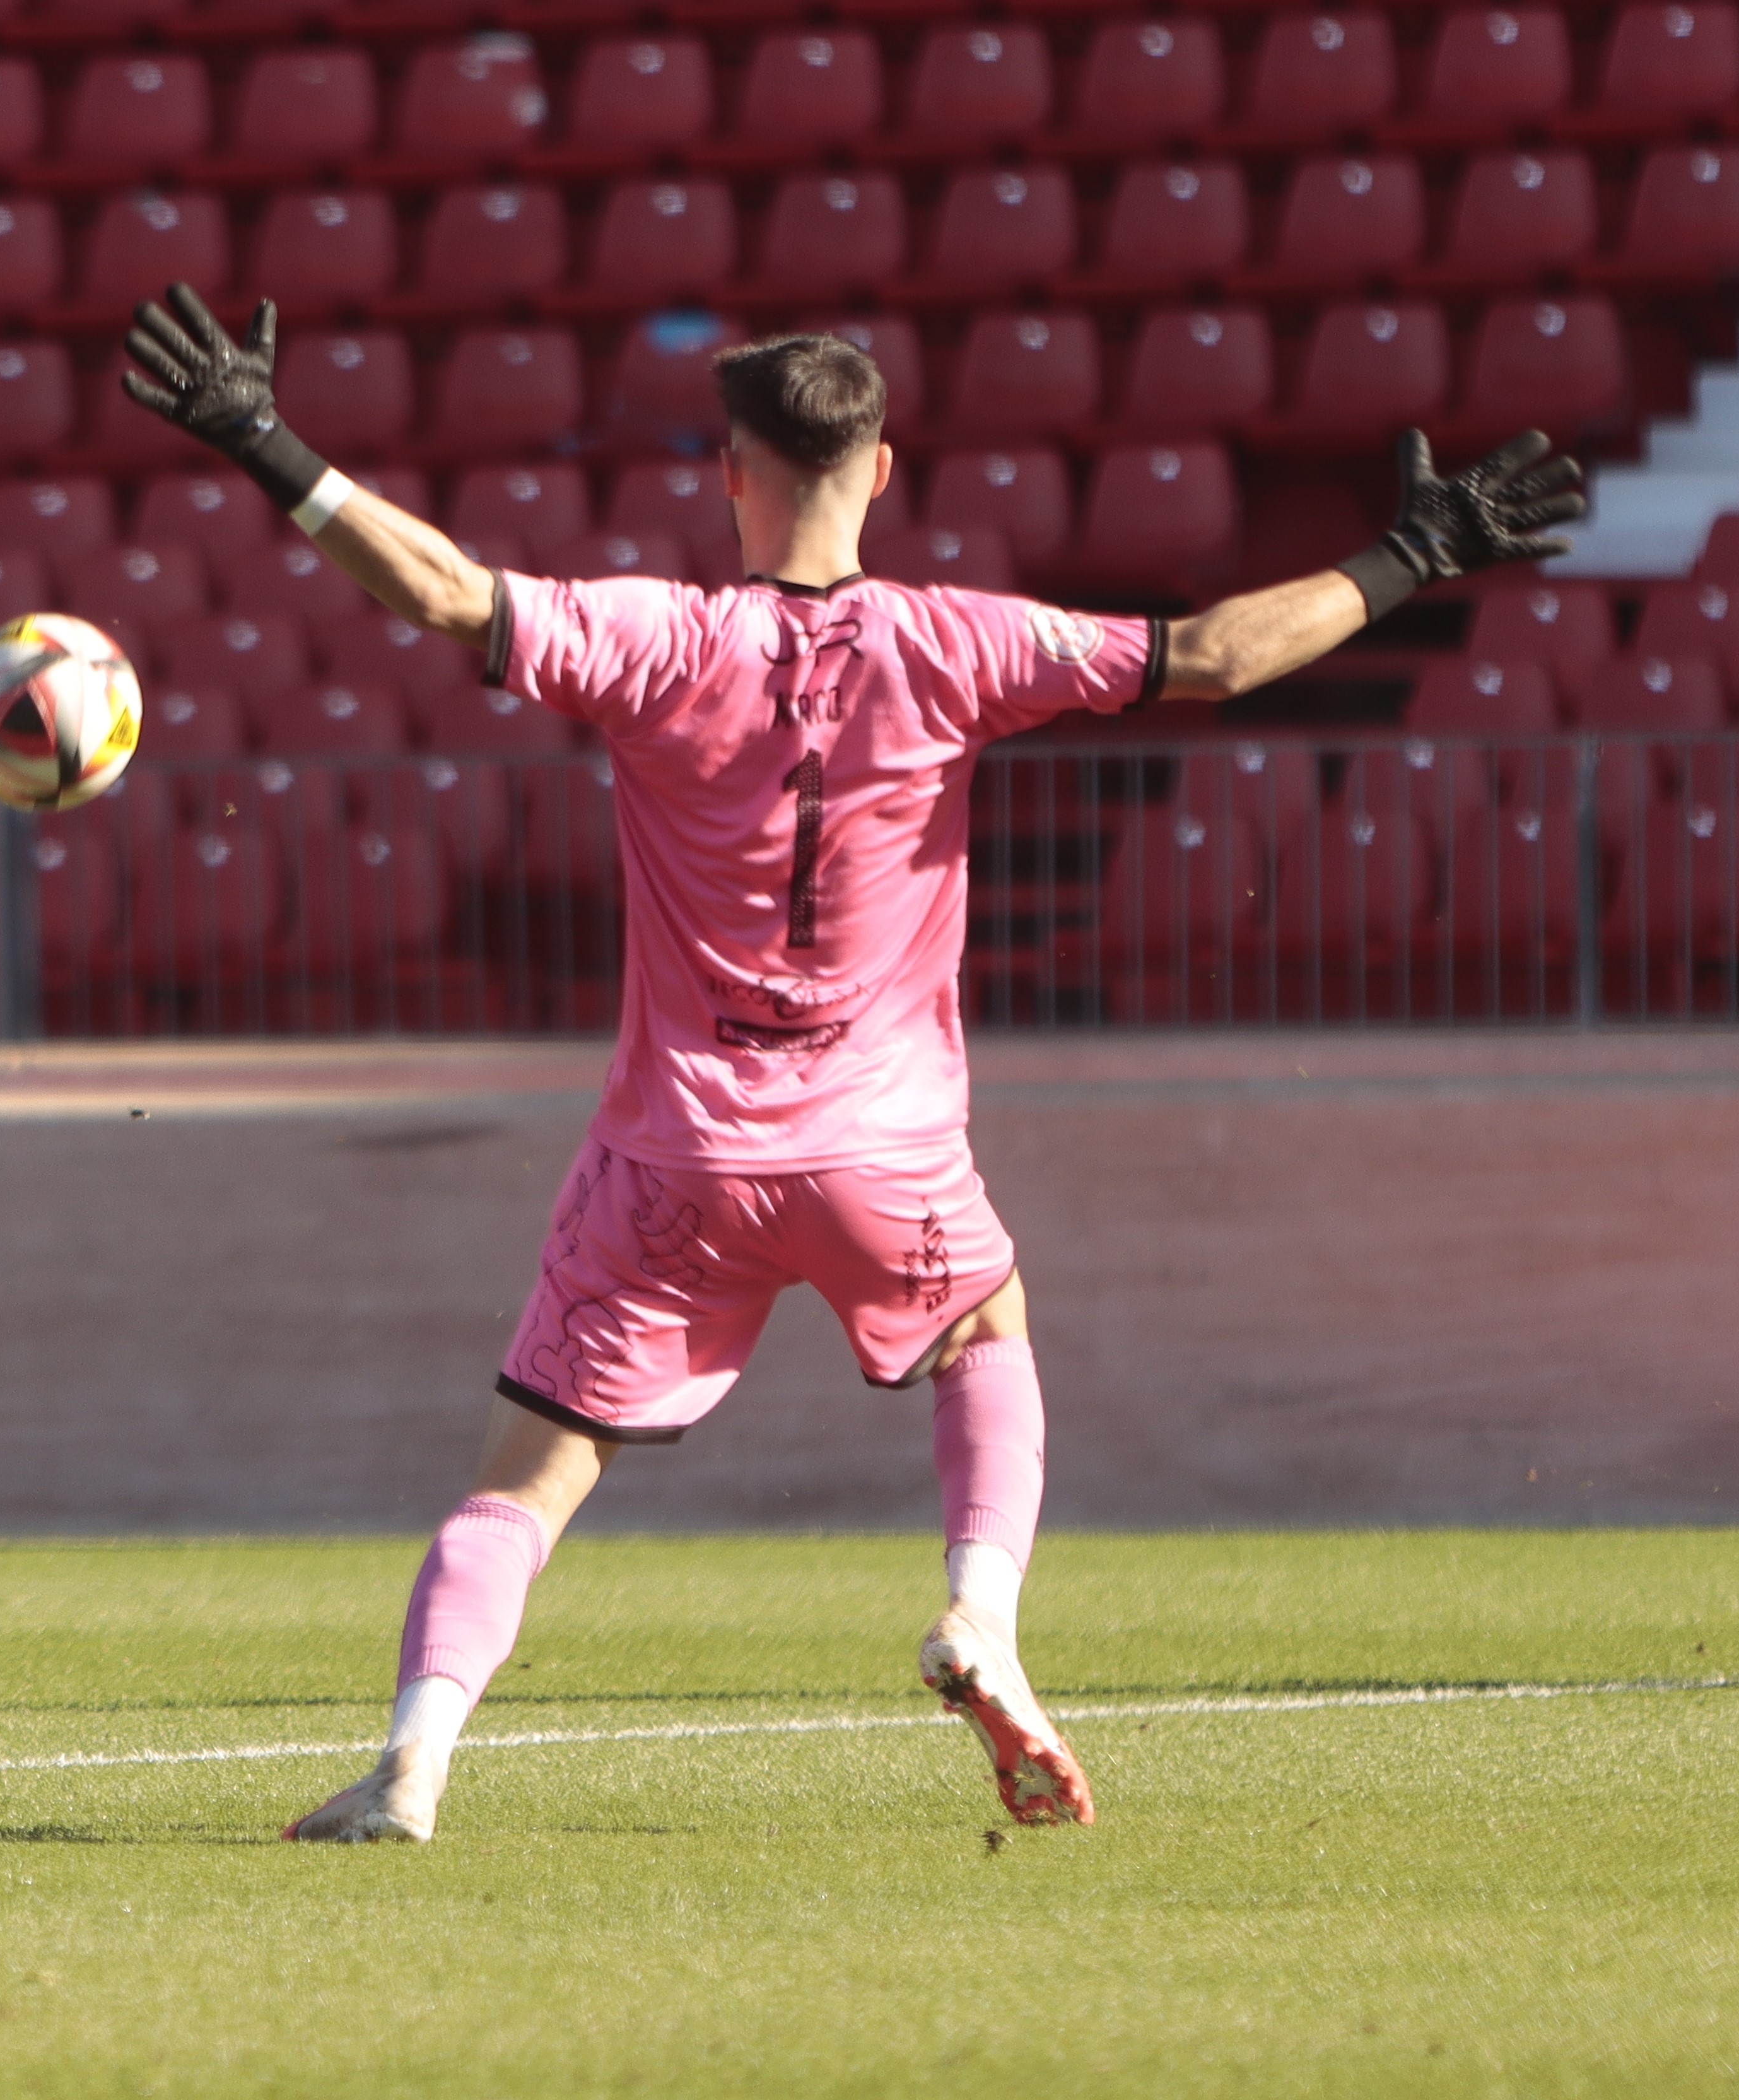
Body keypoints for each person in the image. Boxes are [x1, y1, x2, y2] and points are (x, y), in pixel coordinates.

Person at [120, 286, 1583, 1839]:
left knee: (531, 1479)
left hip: (674, 1160)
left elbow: (444, 594)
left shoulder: (658, 637)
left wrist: (264, 441)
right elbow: (1215, 657)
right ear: (882, 472)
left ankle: (412, 1768)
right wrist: (1418, 552)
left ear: (731, 472)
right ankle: (982, 1622)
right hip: (886, 1154)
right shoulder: (957, 642)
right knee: (986, 1331)